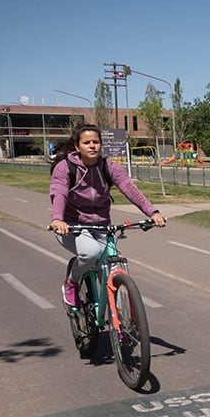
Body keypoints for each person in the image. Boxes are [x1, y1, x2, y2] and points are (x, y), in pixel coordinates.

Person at [49, 123, 165, 306]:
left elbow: (129, 188)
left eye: (96, 142)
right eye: (87, 142)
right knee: (91, 253)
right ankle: (72, 283)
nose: (92, 146)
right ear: (77, 147)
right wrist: (57, 219)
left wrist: (153, 212)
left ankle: (119, 324)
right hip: (72, 226)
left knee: (111, 271)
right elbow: (59, 193)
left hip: (102, 225)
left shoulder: (108, 167)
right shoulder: (65, 168)